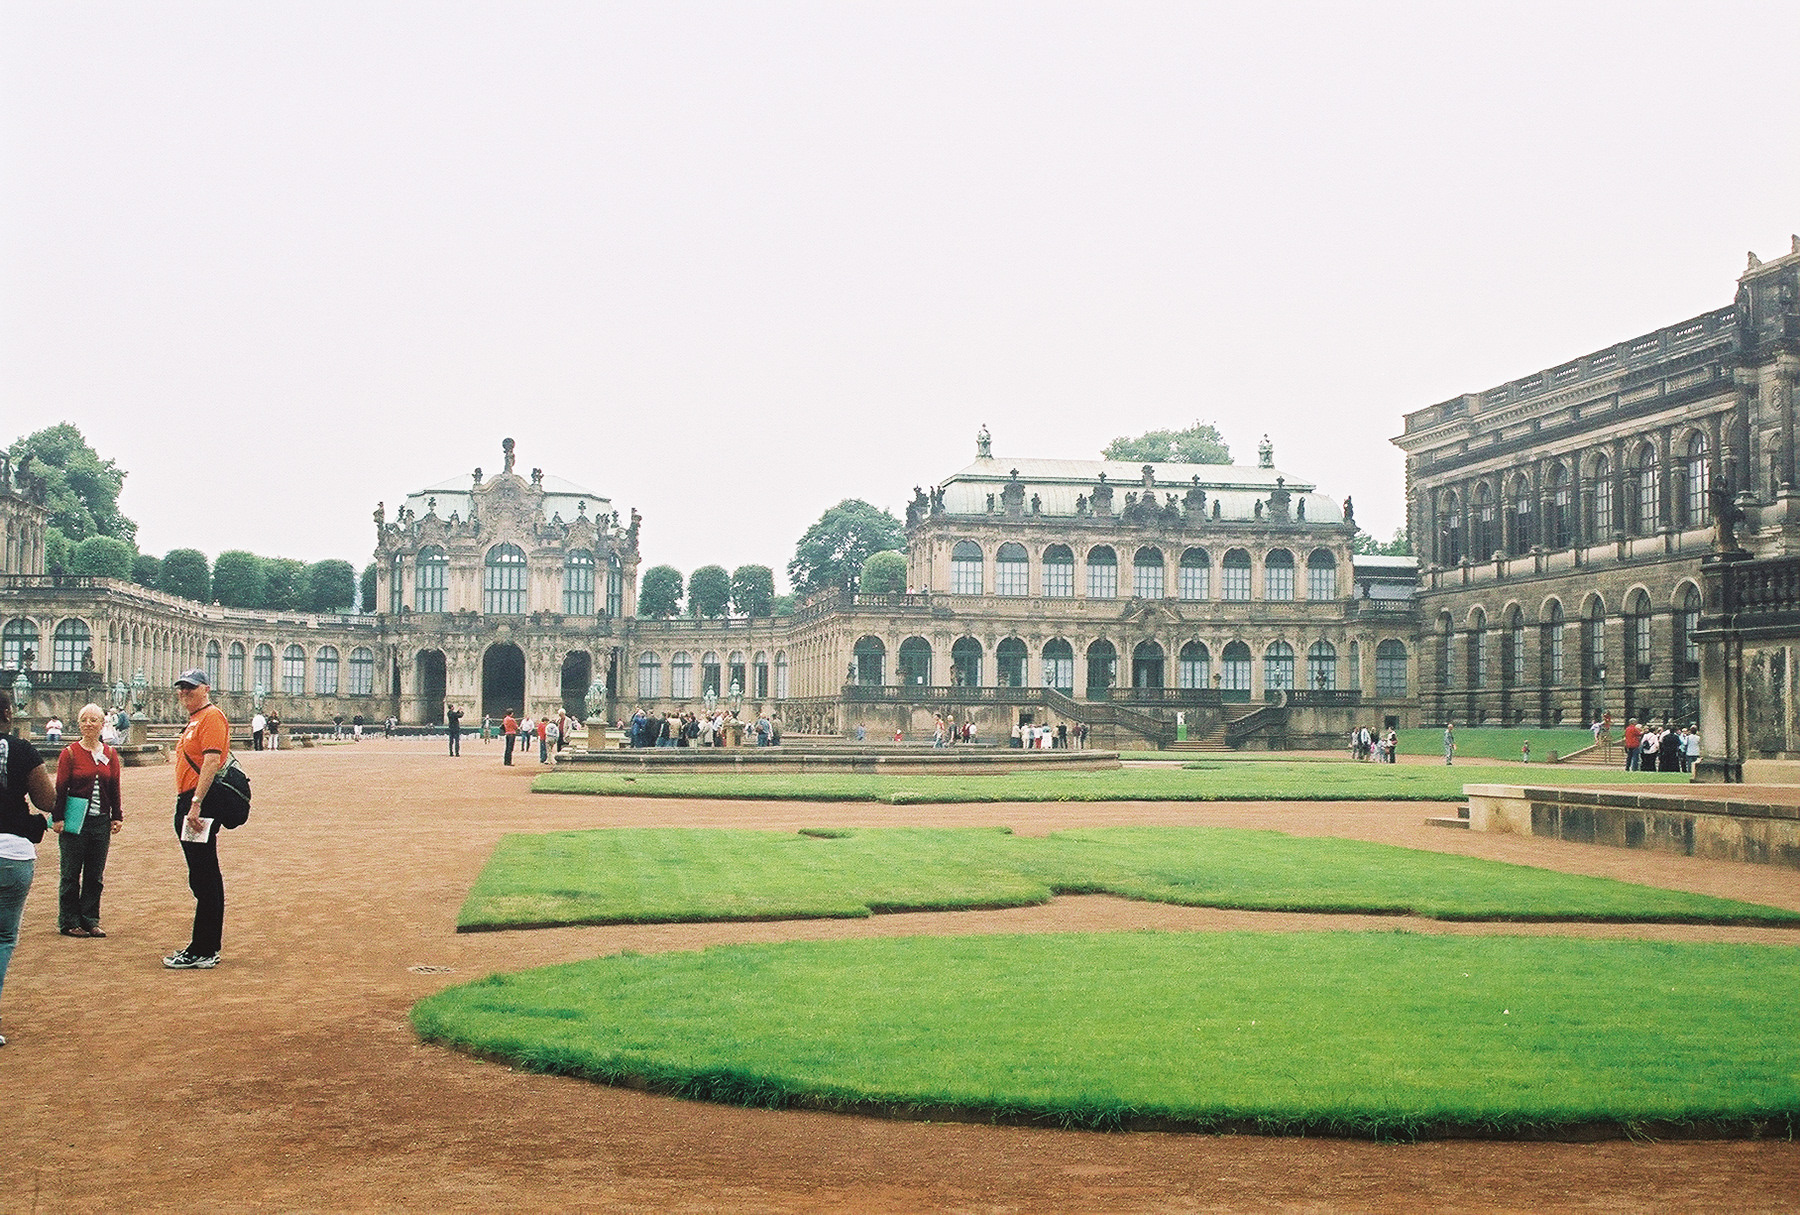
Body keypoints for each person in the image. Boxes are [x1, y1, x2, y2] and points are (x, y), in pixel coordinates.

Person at [0, 690, 56, 1046]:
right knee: (3, 938)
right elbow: (47, 800)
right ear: (8, 713)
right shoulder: (22, 750)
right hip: (13, 852)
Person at [165, 669, 230, 970]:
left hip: (198, 806)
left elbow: (212, 760)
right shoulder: (194, 720)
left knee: (203, 877)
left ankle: (203, 949)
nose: (184, 693)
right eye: (180, 688)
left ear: (205, 689)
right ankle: (205, 946)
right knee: (204, 876)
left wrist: (195, 804)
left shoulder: (211, 717)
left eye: (190, 688)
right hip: (190, 802)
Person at [53, 703, 124, 938]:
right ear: (79, 724)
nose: (88, 724)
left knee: (95, 874)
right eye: (84, 720)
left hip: (100, 821)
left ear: (102, 724)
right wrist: (58, 818)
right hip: (75, 821)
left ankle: (90, 918)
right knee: (70, 873)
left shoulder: (110, 754)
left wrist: (117, 816)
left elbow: (114, 787)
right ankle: (69, 920)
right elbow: (60, 788)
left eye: (94, 720)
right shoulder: (70, 753)